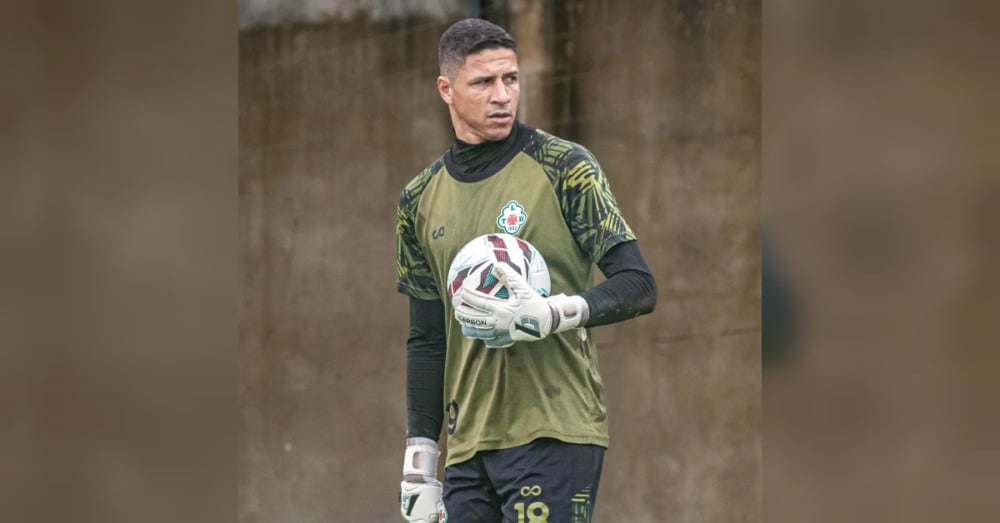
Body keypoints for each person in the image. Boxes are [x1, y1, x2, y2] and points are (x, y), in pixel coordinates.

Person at [396, 18, 657, 523]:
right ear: (446, 89)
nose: (502, 96)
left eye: (511, 79)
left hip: (555, 431)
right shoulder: (417, 199)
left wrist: (553, 313)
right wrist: (420, 461)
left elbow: (639, 285)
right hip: (468, 447)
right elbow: (427, 338)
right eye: (483, 82)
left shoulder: (565, 166)